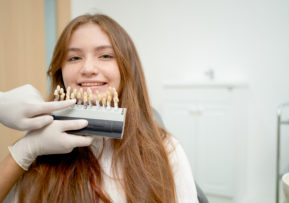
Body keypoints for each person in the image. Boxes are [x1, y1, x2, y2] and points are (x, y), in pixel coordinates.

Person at [3, 14, 197, 202]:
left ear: (127, 69)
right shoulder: (37, 150)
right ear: (60, 73)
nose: (88, 68)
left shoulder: (167, 150)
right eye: (74, 58)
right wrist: (24, 150)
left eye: (105, 56)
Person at [0, 84, 94, 201]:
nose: (88, 69)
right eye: (71, 63)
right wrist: (24, 150)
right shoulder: (39, 136)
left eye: (105, 63)